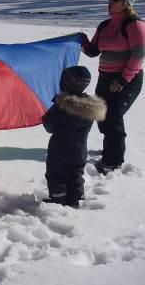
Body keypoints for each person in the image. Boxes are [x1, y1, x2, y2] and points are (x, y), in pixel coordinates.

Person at [82, 0, 145, 174]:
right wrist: (81, 40)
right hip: (105, 77)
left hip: (127, 79)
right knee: (101, 115)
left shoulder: (134, 24)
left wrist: (124, 79)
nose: (110, 2)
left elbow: (139, 54)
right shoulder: (105, 26)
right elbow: (93, 51)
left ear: (126, 3)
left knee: (113, 116)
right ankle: (111, 146)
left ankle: (113, 160)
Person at [42, 66, 106, 207]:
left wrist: (50, 113)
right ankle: (76, 197)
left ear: (65, 84)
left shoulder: (63, 106)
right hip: (80, 149)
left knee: (56, 172)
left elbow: (49, 126)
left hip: (60, 148)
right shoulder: (89, 106)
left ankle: (58, 197)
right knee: (76, 173)